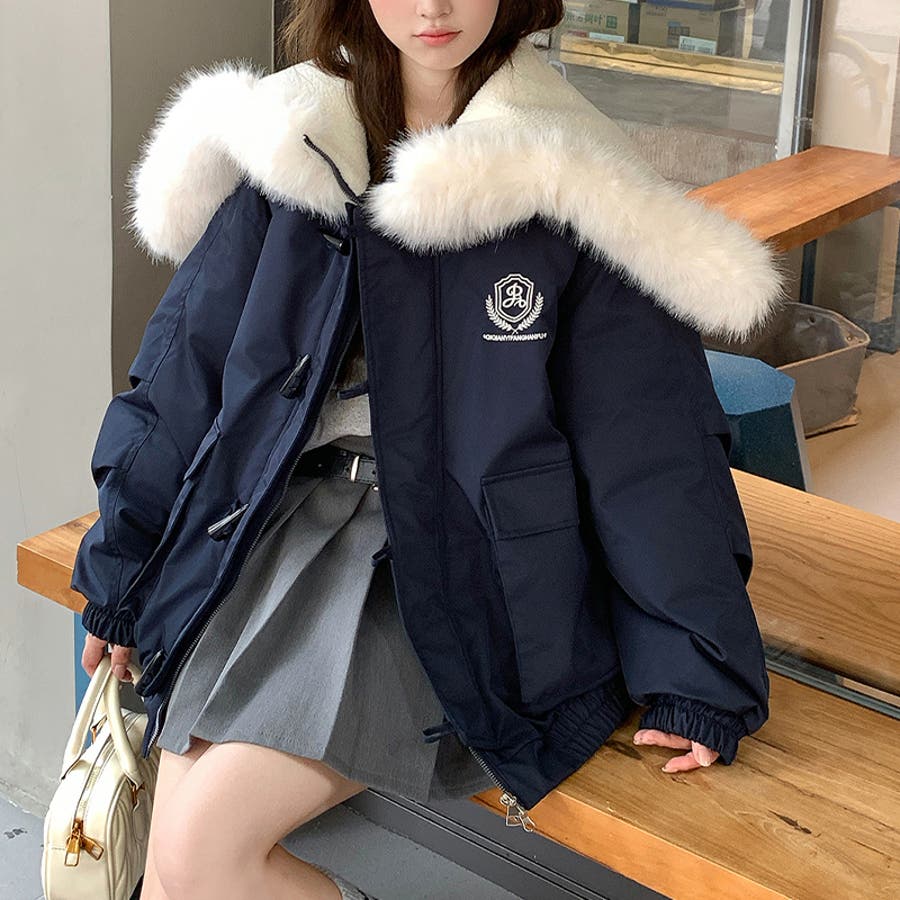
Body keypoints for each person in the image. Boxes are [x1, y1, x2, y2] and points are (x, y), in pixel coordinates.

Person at [76, 1, 788, 898]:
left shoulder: (570, 174)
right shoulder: (294, 142)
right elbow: (187, 374)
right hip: (269, 533)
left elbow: (651, 452)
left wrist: (697, 672)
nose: (434, 7)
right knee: (175, 870)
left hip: (457, 572)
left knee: (199, 856)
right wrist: (124, 572)